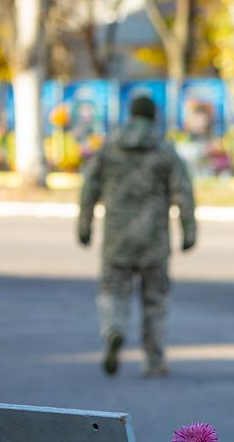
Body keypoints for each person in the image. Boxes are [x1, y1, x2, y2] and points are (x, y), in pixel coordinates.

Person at [78, 95, 196, 377]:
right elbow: (183, 192)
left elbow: (89, 188)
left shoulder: (110, 147)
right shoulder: (164, 150)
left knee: (111, 290)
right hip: (154, 238)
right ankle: (153, 360)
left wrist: (84, 226)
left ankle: (113, 329)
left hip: (117, 237)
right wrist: (188, 231)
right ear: (153, 116)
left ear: (130, 115)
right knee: (155, 299)